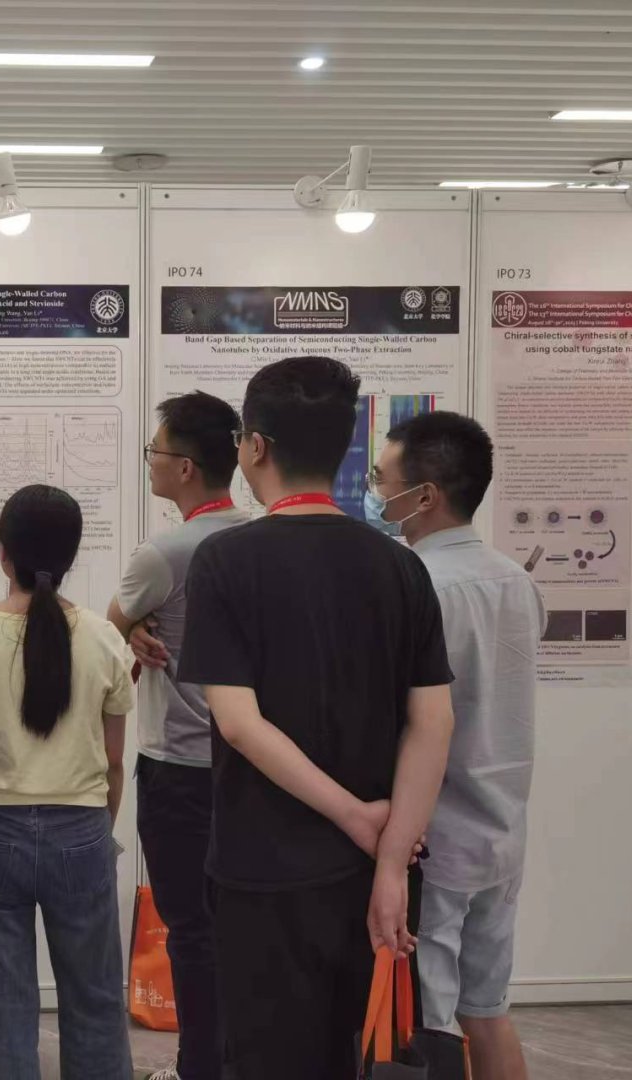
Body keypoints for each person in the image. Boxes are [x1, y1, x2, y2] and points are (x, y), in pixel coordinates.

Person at [176, 357, 456, 1080]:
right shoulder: (402, 567)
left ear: (255, 448)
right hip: (374, 875)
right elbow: (433, 723)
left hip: (263, 871)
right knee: (364, 1057)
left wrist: (357, 818)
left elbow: (240, 724)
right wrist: (388, 856)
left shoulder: (225, 561)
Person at [369, 412, 543, 1080]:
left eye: (382, 480)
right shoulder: (516, 581)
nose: (376, 492)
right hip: (502, 830)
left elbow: (405, 720)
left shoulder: (415, 585)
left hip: (432, 840)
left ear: (426, 496)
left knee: (430, 1028)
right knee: (488, 1009)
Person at [0, 484, 135, 1080]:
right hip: (81, 828)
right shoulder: (105, 639)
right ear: (71, 556)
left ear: (3, 554)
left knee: (5, 1007)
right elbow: (113, 761)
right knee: (96, 1000)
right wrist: (96, 829)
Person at [107, 393, 249, 1080]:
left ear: (186, 467)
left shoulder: (164, 552)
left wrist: (134, 626)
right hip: (255, 765)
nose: (151, 463)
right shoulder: (258, 537)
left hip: (180, 769)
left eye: (156, 452)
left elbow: (110, 627)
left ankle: (200, 1068)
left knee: (191, 932)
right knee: (243, 930)